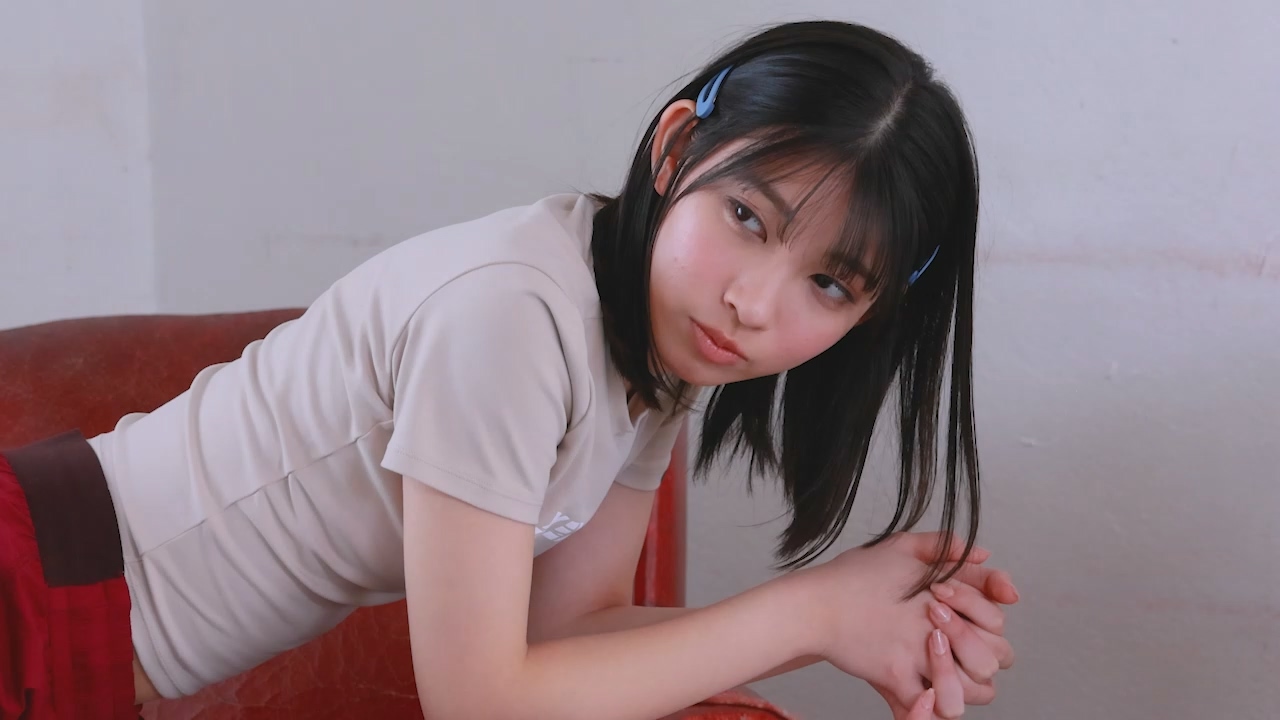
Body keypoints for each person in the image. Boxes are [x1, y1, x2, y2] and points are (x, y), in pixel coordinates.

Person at [0, 19, 1019, 720]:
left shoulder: (654, 355)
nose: (753, 302)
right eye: (747, 217)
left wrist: (858, 622)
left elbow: (566, 636)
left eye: (828, 284)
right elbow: (481, 703)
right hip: (26, 597)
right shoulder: (515, 317)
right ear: (675, 150)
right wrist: (811, 610)